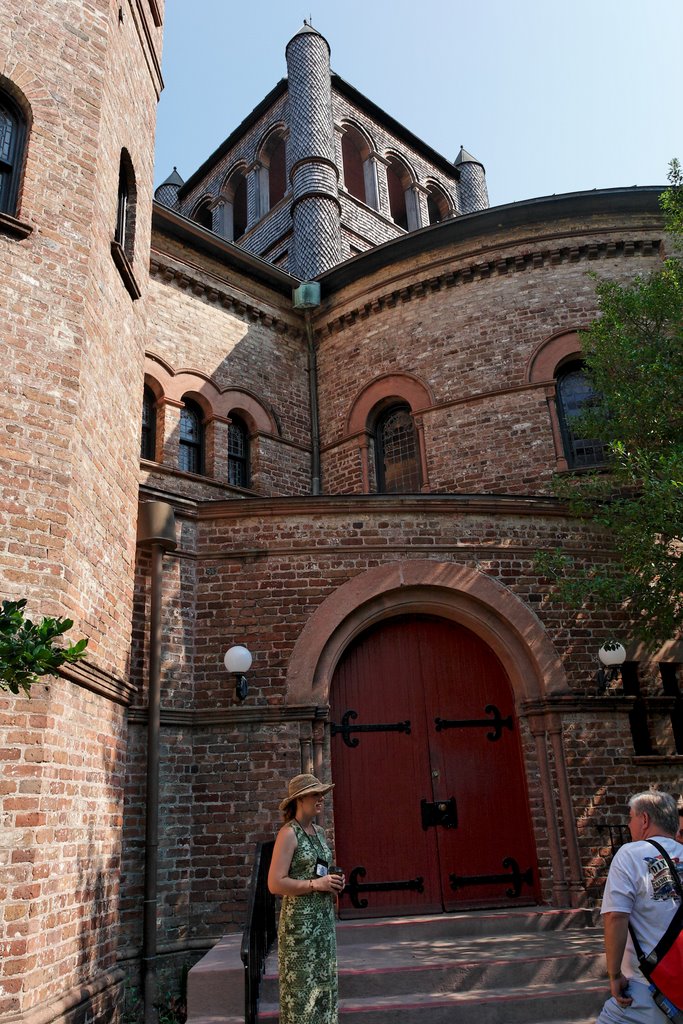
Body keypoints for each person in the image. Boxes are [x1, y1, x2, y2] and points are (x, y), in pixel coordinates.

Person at [597, 790, 683, 1024]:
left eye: (631, 816)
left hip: (648, 986)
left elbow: (616, 916)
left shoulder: (630, 854)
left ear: (644, 820)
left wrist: (614, 975)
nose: (628, 823)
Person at [267, 773, 345, 1024]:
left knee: (324, 991)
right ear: (300, 799)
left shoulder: (320, 832)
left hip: (322, 926)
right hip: (300, 928)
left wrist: (332, 883)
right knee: (301, 997)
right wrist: (315, 884)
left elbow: (320, 871)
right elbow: (275, 883)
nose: (321, 798)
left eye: (321, 793)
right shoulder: (288, 833)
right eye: (315, 794)